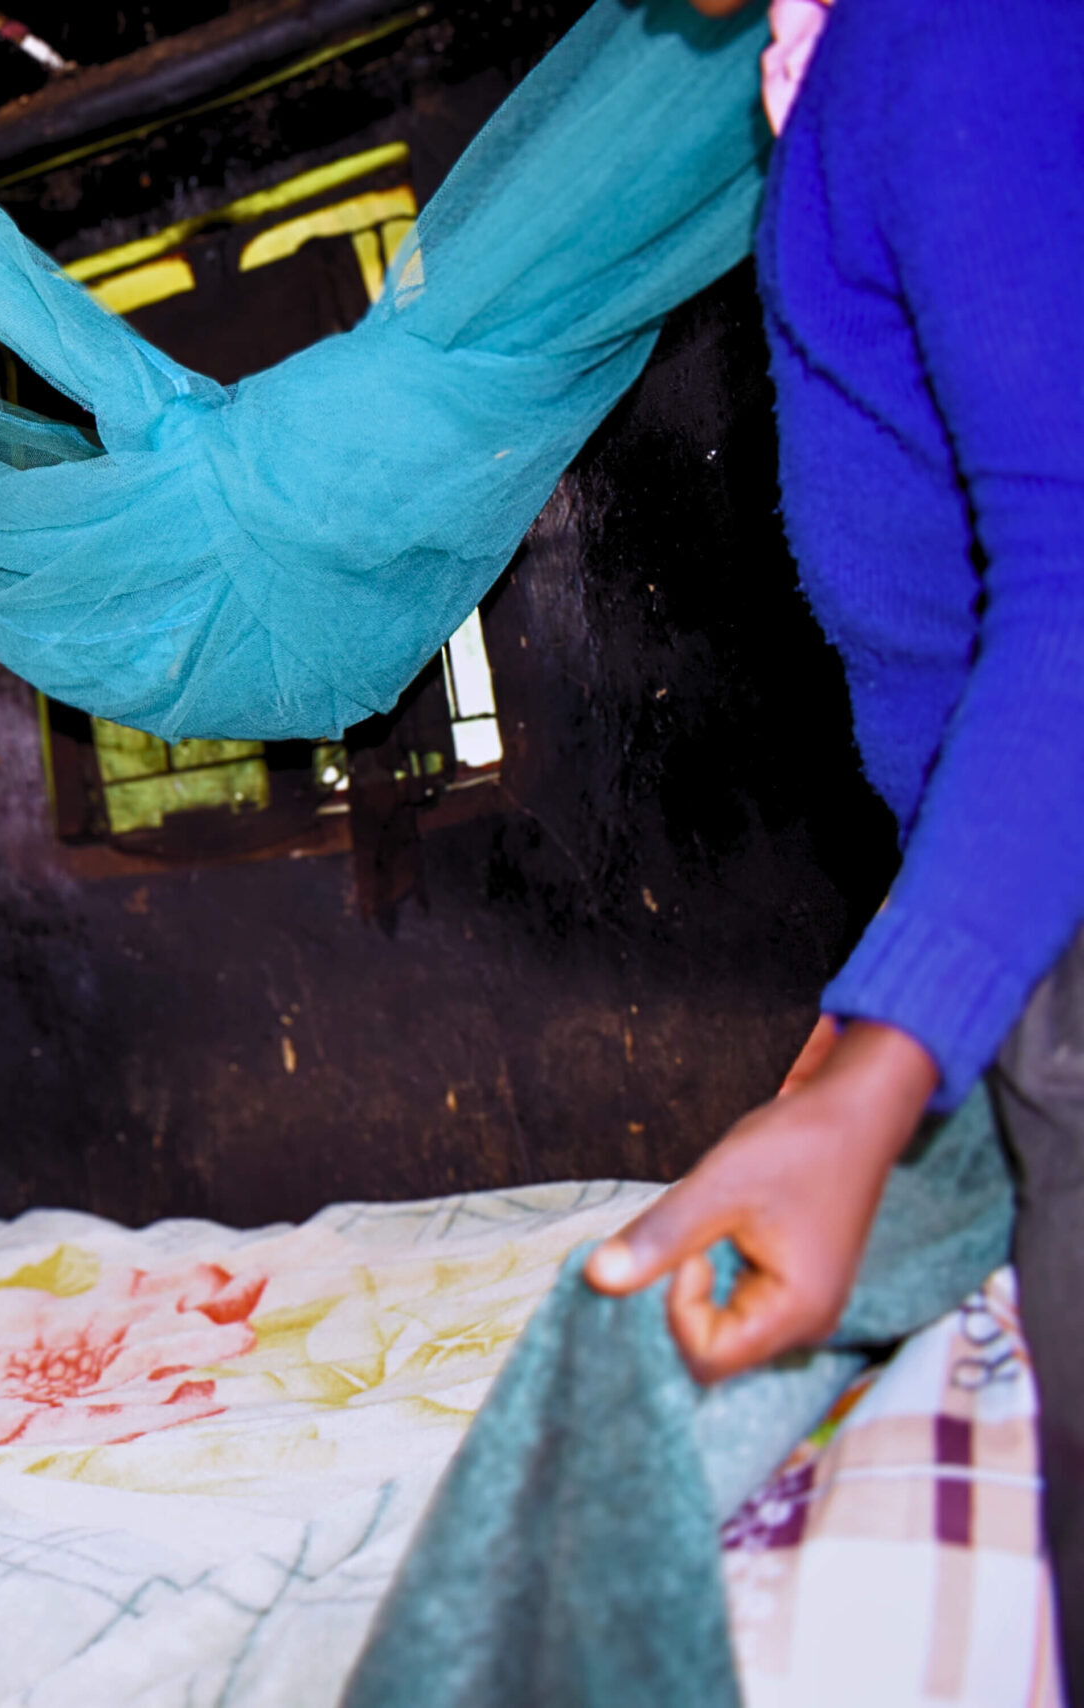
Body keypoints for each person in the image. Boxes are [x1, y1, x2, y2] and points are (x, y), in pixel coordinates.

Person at [583, 0, 1084, 1675]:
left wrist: (888, 1068)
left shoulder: (959, 32)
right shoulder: (838, 64)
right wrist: (882, 1011)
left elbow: (1077, 582)